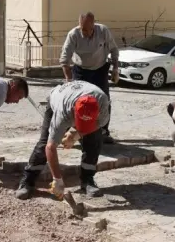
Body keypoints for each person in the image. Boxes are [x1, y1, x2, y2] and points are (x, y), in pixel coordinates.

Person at [16, 80, 110, 200]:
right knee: (44, 143)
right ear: (73, 112)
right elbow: (51, 147)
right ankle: (28, 180)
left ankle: (87, 180)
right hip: (58, 98)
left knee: (94, 139)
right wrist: (57, 179)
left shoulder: (102, 102)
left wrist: (75, 136)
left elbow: (99, 124)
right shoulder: (63, 111)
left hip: (82, 94)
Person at [60, 12, 119, 144]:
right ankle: (74, 131)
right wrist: (69, 81)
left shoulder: (103, 31)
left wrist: (115, 68)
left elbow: (114, 50)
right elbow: (64, 61)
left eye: (87, 29)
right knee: (77, 102)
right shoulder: (73, 35)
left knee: (104, 101)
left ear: (94, 24)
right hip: (81, 71)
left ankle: (103, 131)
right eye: (82, 28)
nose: (84, 32)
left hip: (100, 70)